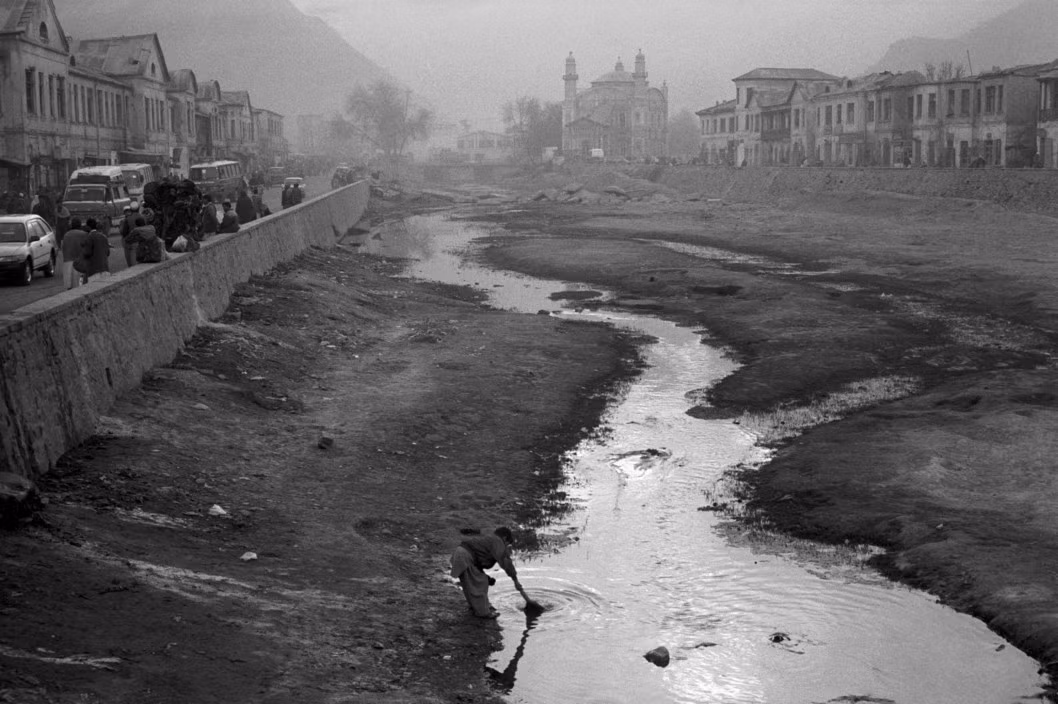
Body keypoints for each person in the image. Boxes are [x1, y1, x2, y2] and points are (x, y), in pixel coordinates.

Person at [450, 527, 538, 618]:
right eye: (507, 544)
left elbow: (478, 562)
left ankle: (475, 607)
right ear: (504, 538)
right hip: (465, 557)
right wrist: (515, 580)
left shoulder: (489, 538)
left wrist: (487, 577)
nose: (505, 548)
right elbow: (506, 562)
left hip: (460, 554)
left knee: (472, 583)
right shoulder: (498, 542)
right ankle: (483, 613)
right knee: (480, 584)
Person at [79, 217, 111, 283]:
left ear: (88, 227)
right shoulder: (103, 236)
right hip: (105, 268)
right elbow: (107, 253)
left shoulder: (89, 237)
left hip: (94, 270)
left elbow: (87, 253)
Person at [61, 217, 88, 289]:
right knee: (80, 287)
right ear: (80, 225)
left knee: (69, 289)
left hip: (67, 264)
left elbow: (63, 248)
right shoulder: (84, 234)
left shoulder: (66, 235)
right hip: (78, 265)